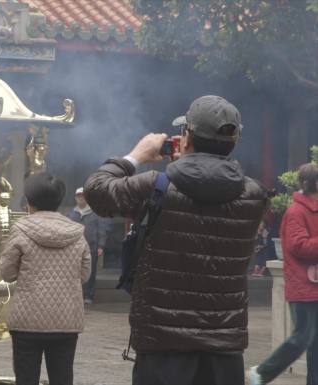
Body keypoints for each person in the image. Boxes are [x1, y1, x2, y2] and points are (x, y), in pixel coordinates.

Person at [85, 95, 268, 385]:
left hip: (162, 346)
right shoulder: (254, 195)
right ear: (233, 141)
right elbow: (209, 184)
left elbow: (96, 192)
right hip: (225, 347)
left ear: (186, 137)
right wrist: (190, 163)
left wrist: (136, 155)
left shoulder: (157, 186)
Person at [0, 172, 92, 385]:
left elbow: (6, 272)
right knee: (62, 378)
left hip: (27, 321)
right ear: (59, 201)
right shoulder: (77, 233)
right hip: (66, 320)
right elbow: (84, 275)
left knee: (26, 378)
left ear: (29, 201)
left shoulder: (20, 229)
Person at [248, 163, 318, 385]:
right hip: (304, 285)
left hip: (314, 284)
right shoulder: (297, 211)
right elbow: (299, 246)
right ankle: (262, 373)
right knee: (302, 338)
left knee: (316, 344)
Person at [68, 187, 109, 305]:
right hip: (74, 248)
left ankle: (88, 295)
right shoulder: (71, 214)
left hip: (92, 247)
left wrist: (101, 245)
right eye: (79, 196)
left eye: (83, 196)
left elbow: (102, 230)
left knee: (90, 272)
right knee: (75, 272)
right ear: (76, 198)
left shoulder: (95, 214)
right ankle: (77, 295)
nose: (81, 198)